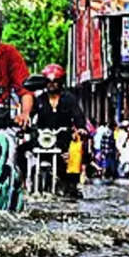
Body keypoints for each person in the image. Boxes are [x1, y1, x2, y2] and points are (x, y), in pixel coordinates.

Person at [31, 64, 87, 197]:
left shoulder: (69, 99)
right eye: (49, 82)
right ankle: (23, 184)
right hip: (42, 139)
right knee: (22, 152)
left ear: (60, 82)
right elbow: (30, 115)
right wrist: (25, 124)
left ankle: (72, 184)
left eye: (55, 82)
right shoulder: (39, 100)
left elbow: (78, 116)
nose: (52, 85)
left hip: (63, 139)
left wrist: (80, 128)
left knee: (75, 151)